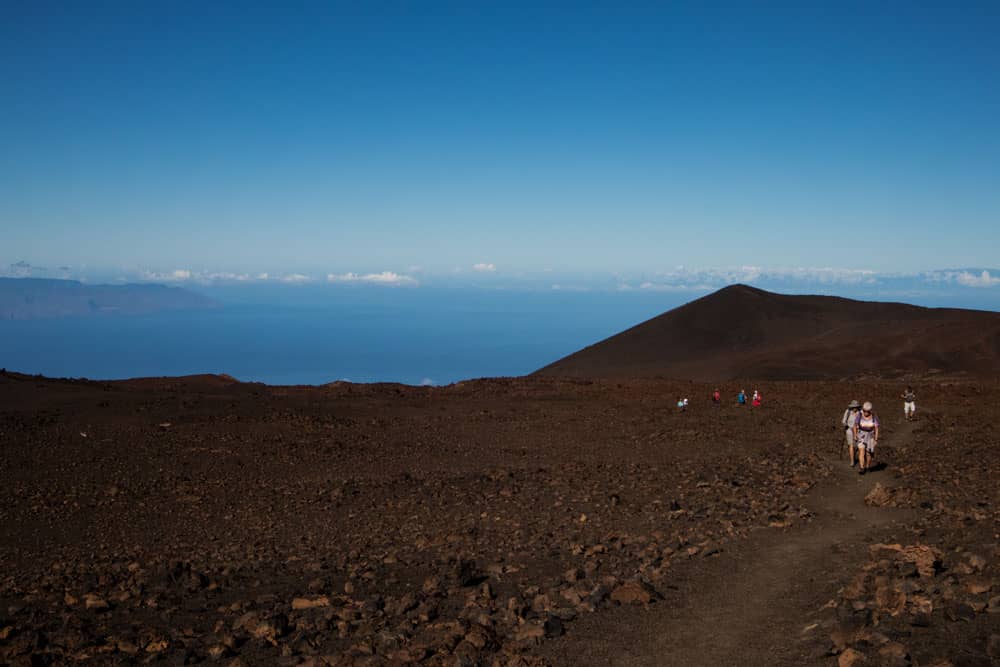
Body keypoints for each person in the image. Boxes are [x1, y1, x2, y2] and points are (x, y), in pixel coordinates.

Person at [853, 401, 879, 474]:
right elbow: (855, 425)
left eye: (867, 411)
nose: (865, 413)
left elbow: (876, 428)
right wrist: (855, 435)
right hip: (861, 435)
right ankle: (862, 467)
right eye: (864, 411)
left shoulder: (874, 416)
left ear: (870, 411)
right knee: (861, 451)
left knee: (869, 453)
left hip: (870, 436)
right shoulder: (860, 415)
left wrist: (876, 439)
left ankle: (867, 466)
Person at [841, 400, 861, 466]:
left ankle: (860, 459)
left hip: (859, 431)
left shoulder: (860, 412)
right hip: (849, 431)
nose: (855, 408)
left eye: (856, 407)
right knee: (851, 445)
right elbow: (843, 421)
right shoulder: (848, 411)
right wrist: (846, 425)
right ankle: (852, 461)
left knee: (859, 446)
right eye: (854, 407)